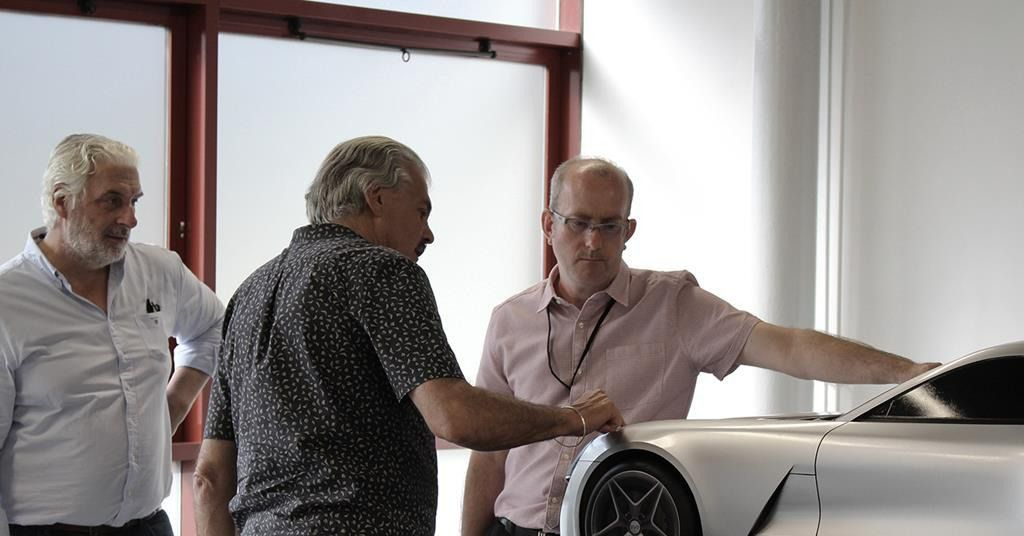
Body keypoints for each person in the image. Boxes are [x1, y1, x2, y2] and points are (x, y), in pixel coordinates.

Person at [462, 156, 941, 536]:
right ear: (548, 225)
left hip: (626, 527)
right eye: (578, 222)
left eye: (609, 226)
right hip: (514, 530)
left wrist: (904, 372)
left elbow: (788, 347)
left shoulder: (674, 304)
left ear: (629, 232)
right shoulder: (510, 320)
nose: (592, 241)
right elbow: (488, 454)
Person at [193, 136, 625, 535]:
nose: (428, 234)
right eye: (421, 211)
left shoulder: (248, 294)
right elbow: (454, 416)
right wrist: (573, 418)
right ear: (377, 198)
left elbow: (210, 477)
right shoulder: (382, 271)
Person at [0, 134, 225, 536]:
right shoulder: (8, 301)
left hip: (148, 525)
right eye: (112, 200)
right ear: (61, 201)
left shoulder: (158, 270)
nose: (130, 218)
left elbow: (215, 329)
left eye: (134, 201)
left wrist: (172, 406)